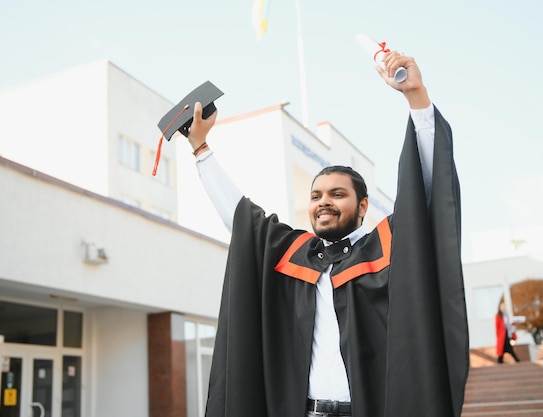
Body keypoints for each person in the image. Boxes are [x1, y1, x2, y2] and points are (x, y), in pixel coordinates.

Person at [186, 51, 469, 416]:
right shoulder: (292, 254)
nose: (324, 203)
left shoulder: (387, 249)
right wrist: (201, 149)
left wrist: (417, 100)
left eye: (338, 194)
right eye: (316, 195)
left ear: (363, 206)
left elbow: (429, 197)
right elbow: (241, 219)